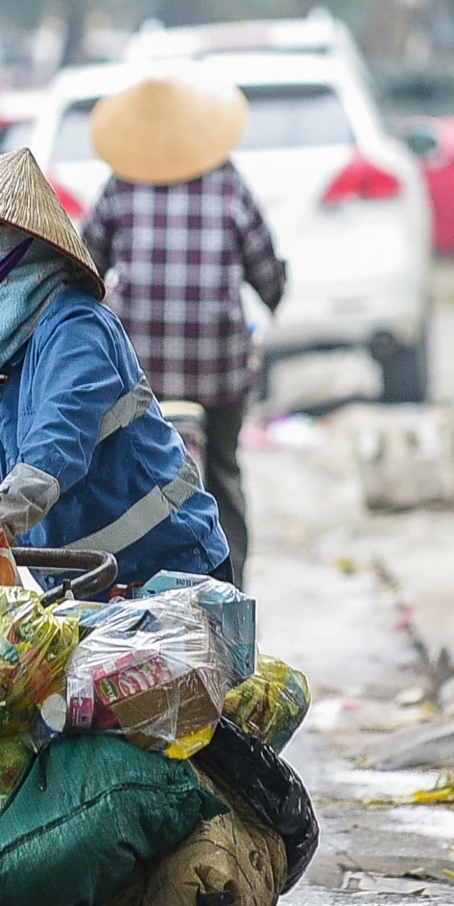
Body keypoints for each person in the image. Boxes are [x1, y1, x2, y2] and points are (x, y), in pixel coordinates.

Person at [0, 149, 230, 585]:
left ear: (14, 238)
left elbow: (59, 438)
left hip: (170, 567)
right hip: (89, 582)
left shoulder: (76, 327)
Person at [80, 73, 286, 576]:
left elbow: (85, 266)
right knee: (223, 468)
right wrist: (273, 292)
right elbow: (267, 273)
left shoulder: (120, 187)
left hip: (139, 373)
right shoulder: (229, 182)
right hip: (219, 371)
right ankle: (232, 582)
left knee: (136, 471)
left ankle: (147, 575)